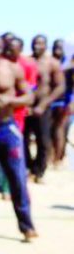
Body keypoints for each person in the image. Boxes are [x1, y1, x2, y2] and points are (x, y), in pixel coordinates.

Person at [0, 34, 38, 241]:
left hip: (6, 129)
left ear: (2, 48)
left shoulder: (11, 68)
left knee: (17, 179)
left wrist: (10, 101)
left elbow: (29, 96)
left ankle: (26, 226)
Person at [29, 35, 65, 180]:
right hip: (26, 107)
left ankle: (40, 170)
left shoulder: (52, 63)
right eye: (34, 43)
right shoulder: (27, 61)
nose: (37, 46)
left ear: (46, 46)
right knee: (24, 140)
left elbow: (60, 87)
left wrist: (44, 104)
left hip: (43, 107)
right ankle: (29, 167)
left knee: (43, 140)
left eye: (40, 44)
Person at [50, 39, 72, 167]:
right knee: (52, 130)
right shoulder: (50, 62)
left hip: (64, 102)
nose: (57, 49)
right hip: (51, 101)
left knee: (59, 129)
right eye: (55, 46)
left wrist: (71, 102)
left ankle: (58, 158)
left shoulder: (68, 64)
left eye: (60, 47)